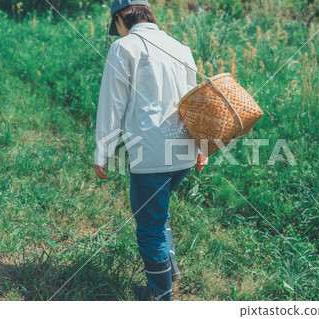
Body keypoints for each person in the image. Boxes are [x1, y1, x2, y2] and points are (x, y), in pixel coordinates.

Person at [93, 0, 208, 301]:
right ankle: (169, 270)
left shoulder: (124, 48)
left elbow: (111, 104)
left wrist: (102, 152)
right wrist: (203, 146)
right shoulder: (180, 48)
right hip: (184, 149)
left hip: (151, 153)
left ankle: (159, 295)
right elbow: (196, 104)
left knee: (149, 227)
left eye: (115, 24)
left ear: (121, 17)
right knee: (159, 212)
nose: (116, 30)